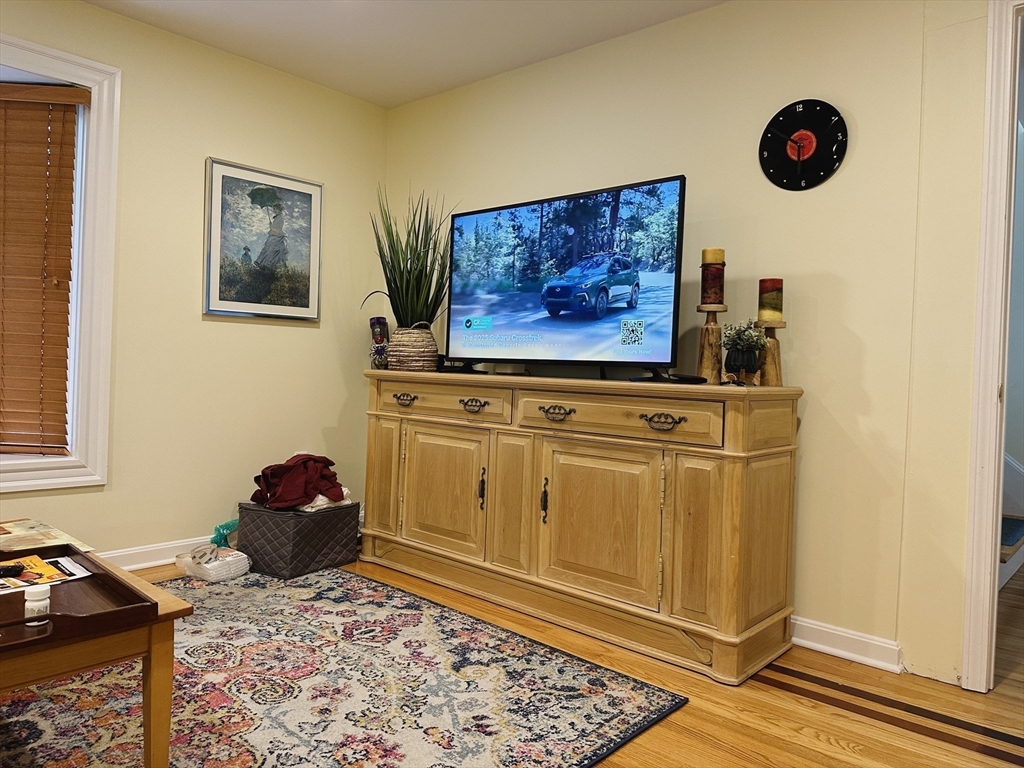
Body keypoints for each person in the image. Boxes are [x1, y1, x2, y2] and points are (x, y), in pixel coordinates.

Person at [255, 203, 289, 269]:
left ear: (279, 209)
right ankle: (262, 263)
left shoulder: (280, 218)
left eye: (276, 209)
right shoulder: (277, 217)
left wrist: (271, 227)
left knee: (271, 251)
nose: (274, 211)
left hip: (276, 237)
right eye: (274, 209)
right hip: (273, 236)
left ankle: (265, 264)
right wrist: (272, 226)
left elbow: (278, 229)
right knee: (267, 250)